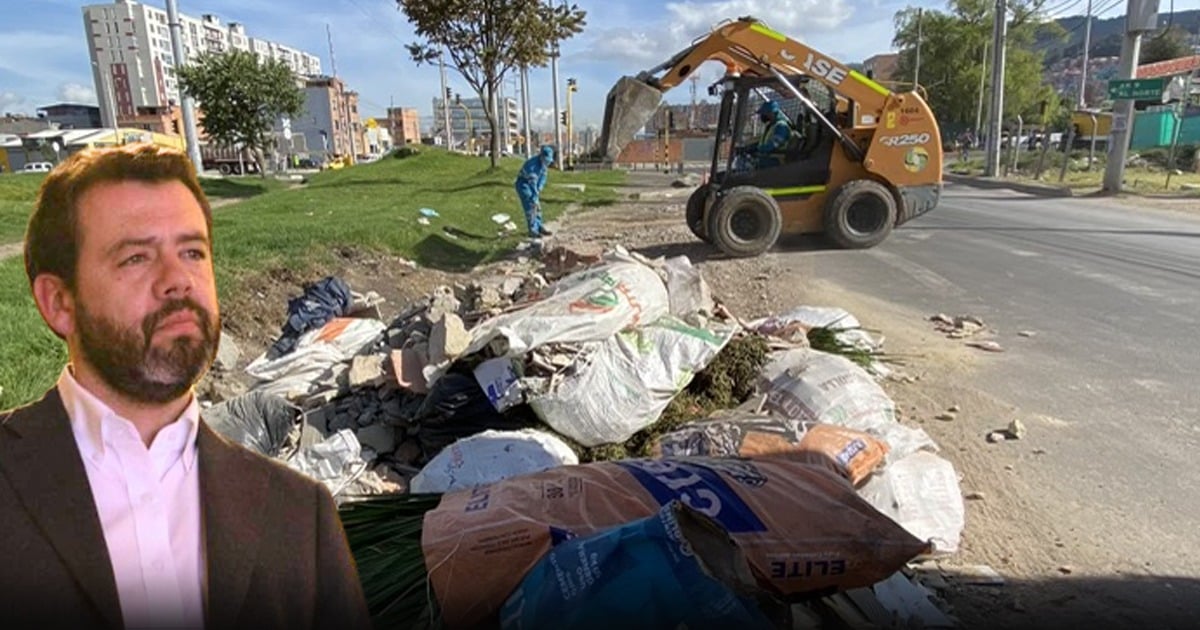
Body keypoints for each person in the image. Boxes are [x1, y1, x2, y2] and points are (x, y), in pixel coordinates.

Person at [1, 144, 372, 629]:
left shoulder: (301, 518)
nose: (178, 280)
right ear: (59, 302)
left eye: (193, 252)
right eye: (136, 257)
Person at [514, 145, 555, 238]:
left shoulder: (544, 165)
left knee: (538, 206)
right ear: (541, 156)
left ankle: (539, 226)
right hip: (524, 185)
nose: (547, 162)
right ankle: (533, 230)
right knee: (531, 206)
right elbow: (532, 183)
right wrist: (535, 194)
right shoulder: (532, 165)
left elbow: (543, 178)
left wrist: (539, 189)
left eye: (549, 161)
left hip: (533, 185)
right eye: (546, 160)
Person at [749, 100, 797, 169]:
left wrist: (758, 149)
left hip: (776, 160)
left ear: (771, 113)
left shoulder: (781, 126)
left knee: (751, 166)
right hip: (767, 157)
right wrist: (750, 147)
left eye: (764, 113)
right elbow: (764, 142)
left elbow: (774, 144)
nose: (762, 116)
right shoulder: (771, 126)